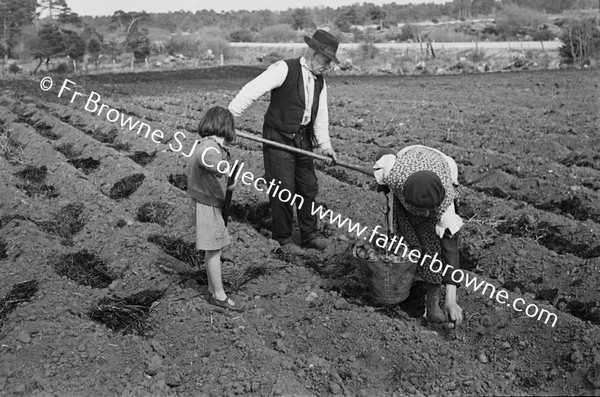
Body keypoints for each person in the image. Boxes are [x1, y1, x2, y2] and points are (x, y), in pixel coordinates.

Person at [228, 29, 340, 256]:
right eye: (326, 60)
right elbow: (251, 91)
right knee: (283, 189)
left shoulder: (320, 81)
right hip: (278, 136)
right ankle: (284, 238)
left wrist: (326, 146)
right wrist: (228, 118)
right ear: (313, 53)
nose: (328, 66)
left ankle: (310, 235)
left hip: (303, 139)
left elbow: (320, 117)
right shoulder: (283, 69)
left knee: (308, 187)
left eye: (330, 62)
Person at [373, 145, 464, 327]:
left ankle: (432, 302)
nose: (422, 215)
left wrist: (451, 300)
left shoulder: (444, 206)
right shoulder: (395, 174)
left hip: (440, 168)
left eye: (426, 210)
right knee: (407, 244)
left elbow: (450, 251)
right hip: (409, 164)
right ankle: (405, 286)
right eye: (419, 210)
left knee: (433, 250)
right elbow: (384, 154)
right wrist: (382, 192)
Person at [187, 106, 245, 312]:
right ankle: (219, 295)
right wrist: (226, 170)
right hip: (207, 204)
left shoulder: (210, 145)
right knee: (213, 248)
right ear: (225, 128)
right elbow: (207, 159)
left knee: (214, 247)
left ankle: (213, 290)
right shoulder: (209, 148)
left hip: (208, 201)